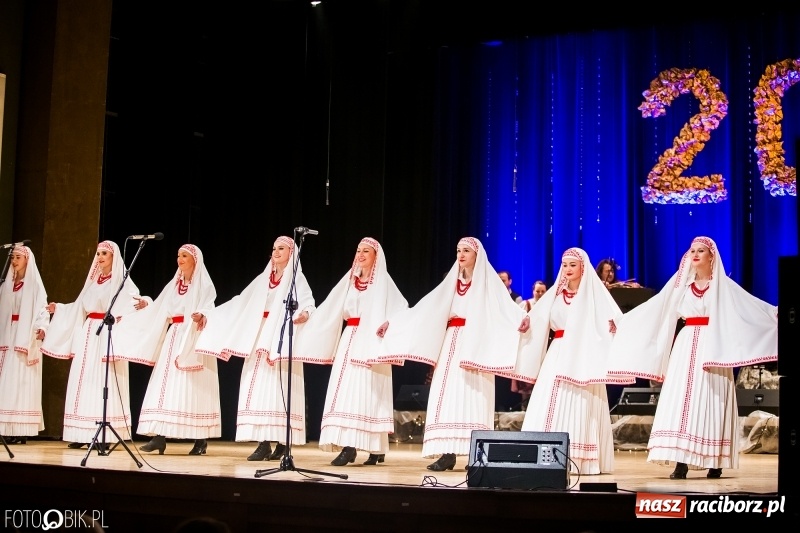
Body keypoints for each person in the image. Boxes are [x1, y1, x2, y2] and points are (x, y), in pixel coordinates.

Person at [607, 236, 778, 479]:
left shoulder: (723, 286)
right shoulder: (681, 286)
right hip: (686, 346)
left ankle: (714, 459)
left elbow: (749, 305)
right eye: (692, 251)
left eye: (701, 251)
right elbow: (656, 307)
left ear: (711, 256)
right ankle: (681, 461)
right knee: (682, 400)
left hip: (713, 347)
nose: (695, 254)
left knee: (711, 399)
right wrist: (624, 323)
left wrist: (773, 314)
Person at [376, 237, 528, 471]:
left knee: (474, 396)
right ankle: (447, 452)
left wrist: (525, 319)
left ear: (477, 255)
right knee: (446, 395)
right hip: (452, 344)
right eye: (458, 250)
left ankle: (476, 454)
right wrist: (394, 323)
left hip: (476, 345)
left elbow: (507, 308)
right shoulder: (451, 283)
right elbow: (425, 307)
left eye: (466, 250)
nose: (461, 255)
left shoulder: (489, 282)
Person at [193, 236, 314, 461]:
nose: (276, 252)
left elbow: (307, 301)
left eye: (281, 249)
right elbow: (240, 301)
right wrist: (209, 314)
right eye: (274, 248)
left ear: (291, 253)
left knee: (279, 389)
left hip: (280, 336)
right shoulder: (263, 279)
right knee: (258, 387)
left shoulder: (296, 278)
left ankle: (283, 444)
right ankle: (263, 443)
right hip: (259, 336)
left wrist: (305, 313)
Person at [293, 237, 408, 466]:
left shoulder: (384, 282)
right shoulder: (350, 281)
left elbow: (401, 308)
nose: (361, 255)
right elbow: (331, 307)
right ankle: (349, 446)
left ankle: (375, 448)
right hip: (350, 340)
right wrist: (308, 316)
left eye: (366, 251)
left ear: (376, 256)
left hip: (372, 343)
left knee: (370, 393)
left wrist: (389, 323)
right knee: (346, 392)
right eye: (358, 251)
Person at [517, 247, 623, 475]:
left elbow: (613, 318)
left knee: (579, 402)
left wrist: (612, 326)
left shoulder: (594, 294)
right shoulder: (556, 294)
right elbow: (537, 316)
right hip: (557, 352)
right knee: (549, 400)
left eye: (572, 265)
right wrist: (528, 321)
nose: (567, 269)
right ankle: (542, 455)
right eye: (564, 265)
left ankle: (576, 456)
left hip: (582, 355)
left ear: (583, 267)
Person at [40, 240, 150, 448]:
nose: (99, 257)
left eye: (104, 254)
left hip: (108, 333)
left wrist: (144, 302)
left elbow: (135, 302)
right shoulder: (93, 281)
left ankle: (104, 434)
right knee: (84, 380)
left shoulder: (121, 281)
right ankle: (82, 433)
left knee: (102, 380)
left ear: (113, 257)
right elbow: (79, 307)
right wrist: (60, 309)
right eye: (98, 254)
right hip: (89, 333)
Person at [115, 244, 218, 456]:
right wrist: (146, 305)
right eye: (178, 255)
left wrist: (202, 314)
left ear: (195, 260)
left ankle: (200, 440)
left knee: (193, 388)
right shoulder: (174, 285)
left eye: (185, 256)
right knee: (164, 386)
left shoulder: (204, 285)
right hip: (174, 336)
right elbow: (160, 307)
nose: (180, 259)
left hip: (193, 337)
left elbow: (210, 306)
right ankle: (159, 437)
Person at [0, 245, 49, 444]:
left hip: (25, 335)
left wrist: (42, 327)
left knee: (21, 380)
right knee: (7, 381)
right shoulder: (6, 286)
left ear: (27, 260)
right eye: (12, 257)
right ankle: (5, 428)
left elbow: (42, 308)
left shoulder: (34, 285)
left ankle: (20, 430)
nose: (14, 261)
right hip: (8, 335)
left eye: (18, 257)